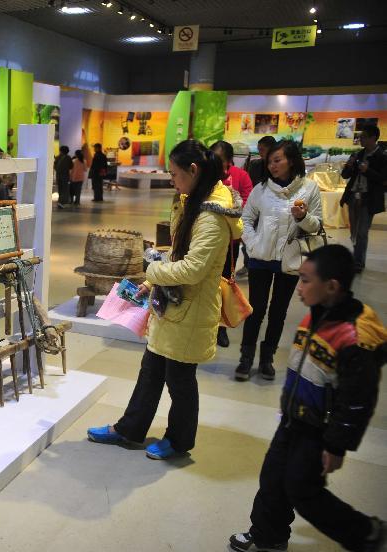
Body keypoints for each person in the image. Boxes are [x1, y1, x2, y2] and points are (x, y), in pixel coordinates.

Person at [229, 244, 386, 552]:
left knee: (303, 490)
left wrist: (336, 445)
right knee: (273, 477)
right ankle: (268, 535)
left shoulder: (354, 337)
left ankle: (364, 533)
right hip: (294, 417)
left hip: (319, 429)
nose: (299, 287)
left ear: (332, 286)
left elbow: (358, 401)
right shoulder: (319, 312)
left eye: (305, 280)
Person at [87, 140, 242, 460]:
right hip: (174, 306)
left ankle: (179, 440)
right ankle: (129, 429)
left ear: (194, 171)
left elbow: (194, 268)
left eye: (175, 174)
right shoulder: (195, 201)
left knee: (180, 380)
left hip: (191, 310)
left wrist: (152, 269)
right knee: (152, 369)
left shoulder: (212, 216)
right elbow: (180, 255)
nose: (172, 180)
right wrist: (150, 281)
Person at [237, 140, 322, 382]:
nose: (272, 166)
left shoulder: (310, 189)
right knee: (256, 309)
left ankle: (267, 358)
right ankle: (246, 357)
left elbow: (317, 225)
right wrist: (253, 245)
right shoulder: (261, 189)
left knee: (278, 312)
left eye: (277, 160)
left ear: (292, 160)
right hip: (260, 259)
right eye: (270, 161)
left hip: (290, 261)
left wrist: (303, 217)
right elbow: (246, 219)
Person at [211, 140, 253, 348]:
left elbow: (247, 200)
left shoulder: (240, 176)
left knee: (225, 283)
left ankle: (221, 327)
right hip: (209, 240)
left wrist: (230, 209)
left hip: (230, 242)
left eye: (219, 160)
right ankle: (207, 324)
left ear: (229, 161)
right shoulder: (205, 175)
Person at [340, 124, 386, 273]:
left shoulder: (382, 156)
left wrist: (367, 171)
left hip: (368, 198)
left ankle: (358, 263)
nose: (360, 139)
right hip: (353, 196)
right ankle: (356, 259)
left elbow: (383, 180)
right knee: (354, 231)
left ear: (373, 138)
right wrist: (349, 166)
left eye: (363, 137)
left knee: (362, 232)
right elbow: (345, 175)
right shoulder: (358, 154)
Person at [54, 145, 73, 209]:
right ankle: (62, 202)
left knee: (60, 189)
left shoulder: (57, 157)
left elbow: (55, 167)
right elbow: (71, 166)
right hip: (65, 176)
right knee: (64, 189)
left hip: (58, 176)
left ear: (60, 150)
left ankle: (60, 201)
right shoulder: (68, 158)